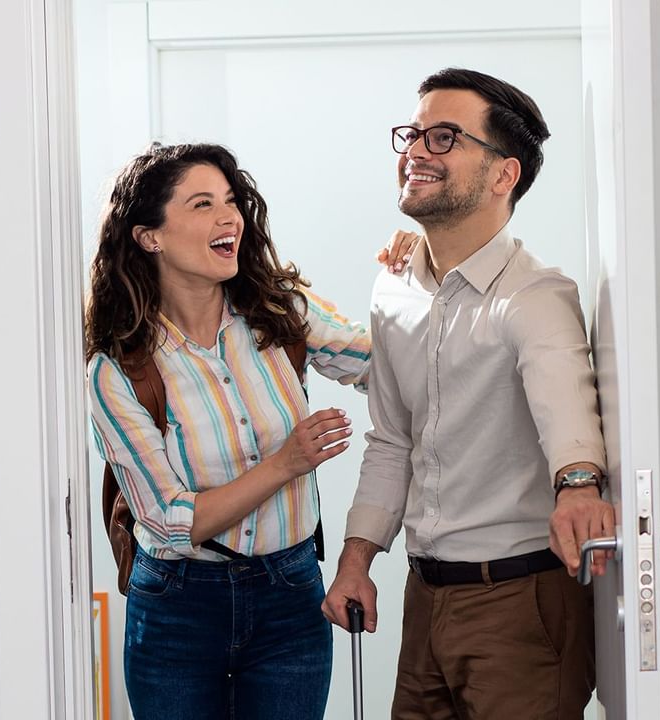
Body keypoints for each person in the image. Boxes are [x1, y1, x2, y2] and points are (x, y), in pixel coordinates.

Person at [320, 68, 616, 719]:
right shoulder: (392, 289)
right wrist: (355, 560)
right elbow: (392, 440)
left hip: (522, 603)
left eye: (445, 137)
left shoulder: (533, 296)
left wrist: (578, 483)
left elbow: (565, 405)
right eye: (415, 133)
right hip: (424, 601)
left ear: (503, 175)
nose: (417, 151)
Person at [84, 142, 412, 720]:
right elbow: (169, 518)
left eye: (232, 201)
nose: (229, 217)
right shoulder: (119, 369)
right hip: (176, 607)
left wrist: (412, 282)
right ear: (148, 236)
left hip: (289, 595)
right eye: (203, 204)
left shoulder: (278, 312)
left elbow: (389, 367)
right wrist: (285, 464)